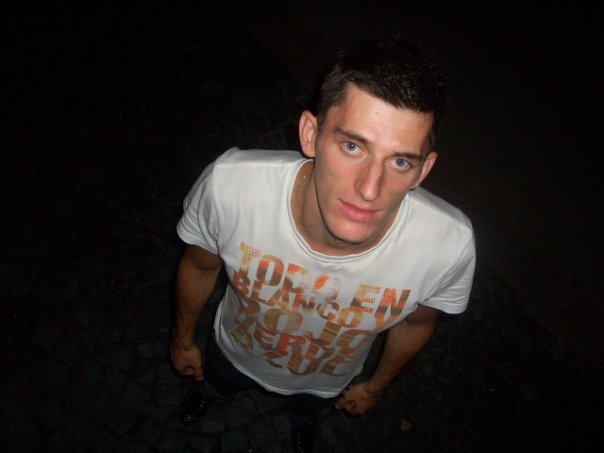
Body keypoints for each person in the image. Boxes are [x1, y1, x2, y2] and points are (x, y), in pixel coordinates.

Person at [170, 35, 475, 452]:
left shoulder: (448, 246)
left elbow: (417, 323)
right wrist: (182, 340)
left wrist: (375, 386)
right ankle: (211, 393)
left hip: (326, 382)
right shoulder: (231, 187)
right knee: (218, 383)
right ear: (310, 134)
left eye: (400, 161)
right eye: (352, 146)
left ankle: (302, 419)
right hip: (231, 352)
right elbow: (199, 266)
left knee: (306, 409)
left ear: (423, 171)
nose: (370, 189)